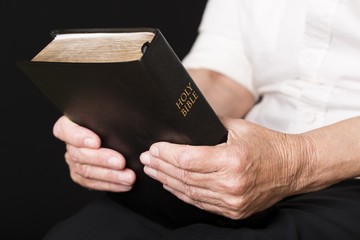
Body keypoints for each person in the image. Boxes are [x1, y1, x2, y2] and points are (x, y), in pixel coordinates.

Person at [43, 0, 360, 239]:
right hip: (245, 164)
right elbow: (224, 75)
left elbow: (290, 160)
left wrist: (294, 160)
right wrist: (135, 120)